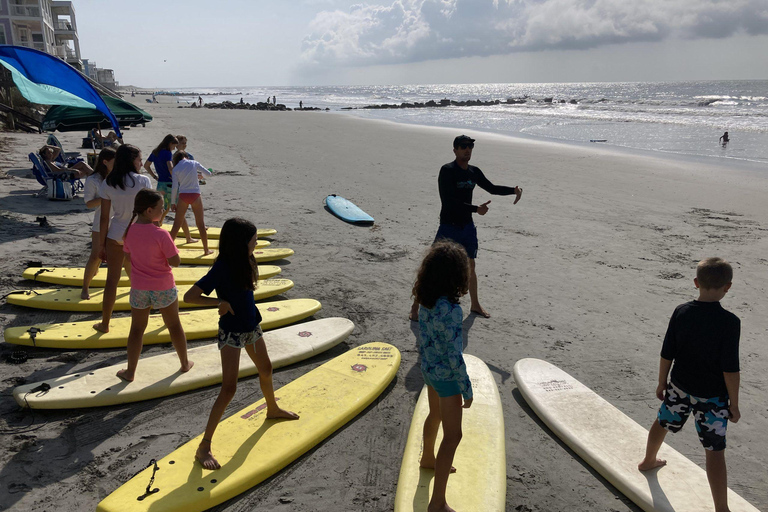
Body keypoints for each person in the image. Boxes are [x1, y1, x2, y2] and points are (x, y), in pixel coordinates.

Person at [183, 217, 299, 469]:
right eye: (254, 240)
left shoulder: (247, 260)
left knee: (266, 370)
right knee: (229, 388)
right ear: (240, 243)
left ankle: (272, 409)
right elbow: (190, 296)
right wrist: (219, 303)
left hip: (251, 327)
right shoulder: (222, 267)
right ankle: (204, 446)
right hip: (232, 334)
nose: (256, 244)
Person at [638, 257, 741, 512]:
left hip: (679, 387)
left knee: (662, 421)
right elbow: (730, 369)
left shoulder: (681, 311)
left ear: (696, 282)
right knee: (714, 449)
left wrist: (662, 382)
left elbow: (667, 352)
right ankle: (721, 509)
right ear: (728, 286)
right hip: (713, 398)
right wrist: (734, 404)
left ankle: (648, 460)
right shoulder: (730, 323)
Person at [409, 135, 523, 321]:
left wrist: (513, 190)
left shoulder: (473, 171)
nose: (467, 149)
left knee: (470, 265)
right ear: (454, 150)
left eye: (470, 146)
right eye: (463, 146)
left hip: (467, 227)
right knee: (432, 266)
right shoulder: (447, 171)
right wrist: (475, 209)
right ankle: (415, 307)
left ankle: (475, 304)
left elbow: (491, 188)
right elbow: (449, 201)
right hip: (448, 226)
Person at [412, 240, 473, 512]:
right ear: (457, 276)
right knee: (453, 436)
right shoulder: (451, 310)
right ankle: (437, 503)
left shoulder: (426, 301)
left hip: (429, 369)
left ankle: (428, 458)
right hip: (447, 378)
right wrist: (467, 388)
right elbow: (455, 355)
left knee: (433, 415)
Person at [117, 188, 194, 381]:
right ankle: (184, 364)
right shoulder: (161, 234)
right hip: (163, 286)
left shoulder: (130, 231)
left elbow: (127, 255)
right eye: (161, 207)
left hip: (139, 288)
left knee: (136, 330)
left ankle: (131, 372)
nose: (164, 210)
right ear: (149, 211)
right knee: (174, 325)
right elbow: (175, 262)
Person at [93, 144, 152, 333]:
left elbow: (104, 217)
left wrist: (101, 244)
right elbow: (149, 214)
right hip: (139, 236)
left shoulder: (109, 182)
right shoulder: (144, 181)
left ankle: (105, 323)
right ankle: (143, 321)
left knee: (112, 281)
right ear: (131, 160)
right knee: (142, 279)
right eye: (139, 159)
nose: (141, 163)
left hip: (115, 235)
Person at [144, 134, 195, 242]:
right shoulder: (167, 153)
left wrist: (154, 176)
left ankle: (155, 234)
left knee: (159, 208)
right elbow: (171, 169)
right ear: (170, 144)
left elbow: (146, 165)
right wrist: (180, 178)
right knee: (179, 211)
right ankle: (188, 237)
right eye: (173, 146)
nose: (173, 149)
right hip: (170, 184)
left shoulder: (155, 152)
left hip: (160, 184)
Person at [81, 147, 117, 300]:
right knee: (96, 255)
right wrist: (106, 197)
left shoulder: (118, 177)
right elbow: (89, 203)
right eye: (115, 162)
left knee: (123, 257)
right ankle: (85, 288)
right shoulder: (93, 180)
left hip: (119, 220)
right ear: (105, 162)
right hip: (101, 221)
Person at [170, 151, 213, 255]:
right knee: (200, 224)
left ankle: (167, 251)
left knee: (176, 224)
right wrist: (201, 176)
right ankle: (206, 250)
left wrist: (172, 202)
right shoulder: (193, 163)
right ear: (186, 156)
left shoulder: (175, 169)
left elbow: (175, 187)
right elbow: (208, 174)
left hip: (183, 196)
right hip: (195, 195)